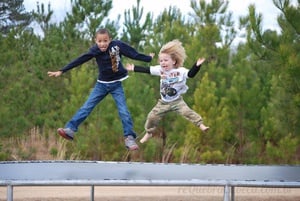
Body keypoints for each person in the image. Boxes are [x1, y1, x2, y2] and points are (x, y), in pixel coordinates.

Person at [47, 28, 153, 150]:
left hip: (116, 84)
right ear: (95, 41)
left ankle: (129, 138)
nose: (102, 44)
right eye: (99, 41)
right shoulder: (95, 50)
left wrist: (148, 58)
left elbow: (133, 53)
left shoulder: (117, 46)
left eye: (105, 41)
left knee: (123, 110)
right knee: (87, 107)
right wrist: (62, 70)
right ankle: (70, 129)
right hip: (101, 85)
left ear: (110, 40)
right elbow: (80, 59)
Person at [126, 39, 209, 143]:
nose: (163, 63)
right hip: (163, 102)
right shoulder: (160, 70)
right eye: (161, 61)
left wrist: (197, 65)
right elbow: (147, 70)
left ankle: (201, 125)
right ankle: (148, 133)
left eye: (165, 60)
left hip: (177, 101)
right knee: (151, 117)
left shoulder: (180, 71)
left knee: (187, 112)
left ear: (173, 61)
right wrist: (133, 68)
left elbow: (191, 75)